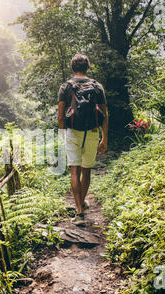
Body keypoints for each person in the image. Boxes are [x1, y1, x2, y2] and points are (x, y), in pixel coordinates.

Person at [58, 53, 109, 221]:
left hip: (73, 131)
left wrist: (62, 134)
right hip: (93, 131)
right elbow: (105, 114)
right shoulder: (97, 86)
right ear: (87, 67)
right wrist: (104, 138)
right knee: (86, 170)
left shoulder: (66, 86)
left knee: (74, 170)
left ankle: (79, 210)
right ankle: (82, 203)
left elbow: (60, 115)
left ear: (72, 67)